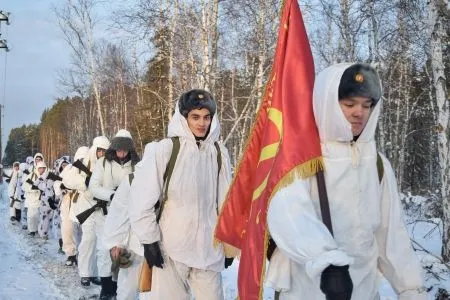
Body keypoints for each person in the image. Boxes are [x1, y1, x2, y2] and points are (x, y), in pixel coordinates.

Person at [266, 63, 426, 300]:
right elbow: (289, 216)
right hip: (307, 291)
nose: (358, 112)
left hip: (364, 291)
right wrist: (327, 262)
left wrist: (411, 289)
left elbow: (391, 236)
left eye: (366, 105)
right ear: (327, 102)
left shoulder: (377, 164)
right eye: (349, 104)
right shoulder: (300, 159)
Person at [129, 89, 232, 300]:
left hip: (208, 250)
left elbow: (226, 203)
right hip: (171, 248)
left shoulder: (219, 152)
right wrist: (149, 242)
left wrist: (229, 244)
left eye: (206, 117)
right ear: (184, 117)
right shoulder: (165, 150)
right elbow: (142, 201)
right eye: (195, 117)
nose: (201, 123)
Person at [90, 129, 139, 300]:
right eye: (119, 149)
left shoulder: (136, 165)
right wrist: (112, 195)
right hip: (105, 213)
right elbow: (93, 186)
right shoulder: (103, 163)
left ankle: (120, 288)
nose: (122, 153)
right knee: (105, 252)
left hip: (127, 217)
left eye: (125, 149)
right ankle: (106, 288)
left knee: (124, 253)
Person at [22, 153, 46, 236]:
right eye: (37, 159)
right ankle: (32, 230)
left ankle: (40, 230)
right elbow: (25, 185)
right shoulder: (31, 171)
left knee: (41, 216)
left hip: (43, 198)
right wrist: (34, 188)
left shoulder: (46, 171)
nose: (38, 161)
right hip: (32, 197)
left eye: (40, 160)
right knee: (31, 215)